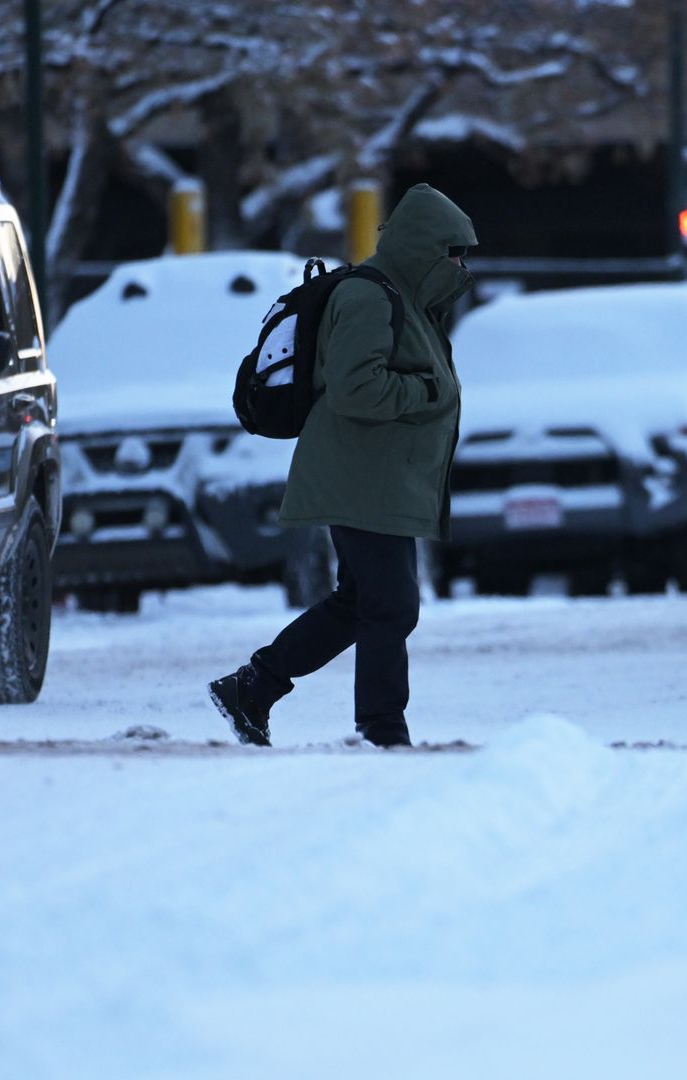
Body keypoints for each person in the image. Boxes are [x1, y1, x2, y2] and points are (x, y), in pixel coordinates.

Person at [209, 184, 476, 748]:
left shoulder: (410, 302)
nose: (461, 266)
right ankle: (382, 727)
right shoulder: (368, 297)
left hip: (382, 480)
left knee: (362, 601)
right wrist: (428, 392)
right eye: (454, 253)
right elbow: (357, 389)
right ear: (425, 247)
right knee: (391, 604)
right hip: (361, 478)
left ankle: (253, 686)